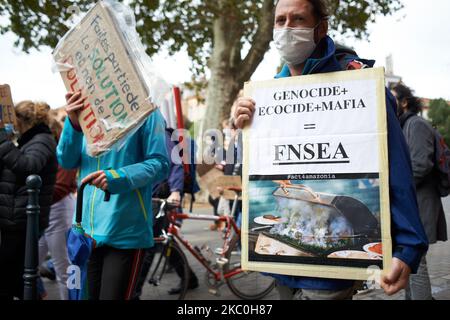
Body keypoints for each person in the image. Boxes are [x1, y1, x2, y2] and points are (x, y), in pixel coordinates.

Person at [233, 0, 429, 299]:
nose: (286, 28)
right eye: (280, 20)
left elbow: (396, 168)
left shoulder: (361, 84)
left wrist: (407, 247)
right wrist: (243, 126)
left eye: (297, 19)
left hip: (329, 277)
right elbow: (260, 169)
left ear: (320, 27)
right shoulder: (268, 94)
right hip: (282, 267)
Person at [57, 90, 170, 300]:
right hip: (86, 232)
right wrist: (73, 124)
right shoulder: (84, 112)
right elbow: (66, 160)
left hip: (124, 230)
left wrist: (119, 176)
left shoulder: (147, 111)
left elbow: (161, 163)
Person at [391, 83, 448, 300]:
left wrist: (392, 187)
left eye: (393, 97)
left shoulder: (415, 125)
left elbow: (420, 165)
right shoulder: (403, 126)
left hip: (420, 202)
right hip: (411, 203)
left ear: (405, 102)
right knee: (409, 260)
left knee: (416, 262)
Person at [0, 101, 58, 300]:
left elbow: (28, 165)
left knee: (13, 277)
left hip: (22, 220)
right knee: (13, 277)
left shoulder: (42, 140)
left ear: (23, 121)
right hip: (15, 218)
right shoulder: (28, 140)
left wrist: (2, 142)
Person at [133, 127, 199, 298]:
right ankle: (189, 278)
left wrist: (176, 190)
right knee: (163, 242)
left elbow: (175, 162)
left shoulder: (158, 134)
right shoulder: (148, 133)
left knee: (151, 244)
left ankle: (135, 292)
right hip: (154, 195)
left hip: (161, 196)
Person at [38, 116, 78, 300]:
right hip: (48, 210)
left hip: (59, 209)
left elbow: (61, 187)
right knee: (28, 263)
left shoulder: (61, 151)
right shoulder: (45, 150)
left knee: (64, 267)